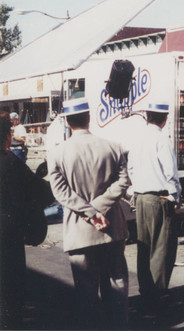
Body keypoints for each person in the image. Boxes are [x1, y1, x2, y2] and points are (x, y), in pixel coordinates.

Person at [47, 98, 130, 329]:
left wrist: (90, 213)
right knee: (117, 285)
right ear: (89, 117)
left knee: (86, 294)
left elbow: (60, 192)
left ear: (67, 121)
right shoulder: (113, 147)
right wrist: (101, 208)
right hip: (112, 227)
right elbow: (124, 182)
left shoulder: (57, 153)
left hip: (80, 231)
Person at [127, 101, 182, 310]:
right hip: (159, 197)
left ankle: (146, 290)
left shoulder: (138, 139)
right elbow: (170, 172)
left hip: (141, 197)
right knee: (162, 246)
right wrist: (174, 195)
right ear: (164, 118)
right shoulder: (161, 140)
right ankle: (158, 292)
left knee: (144, 245)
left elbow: (130, 167)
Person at [0, 112, 52, 329]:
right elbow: (33, 194)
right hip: (6, 239)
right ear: (7, 136)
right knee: (9, 295)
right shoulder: (9, 162)